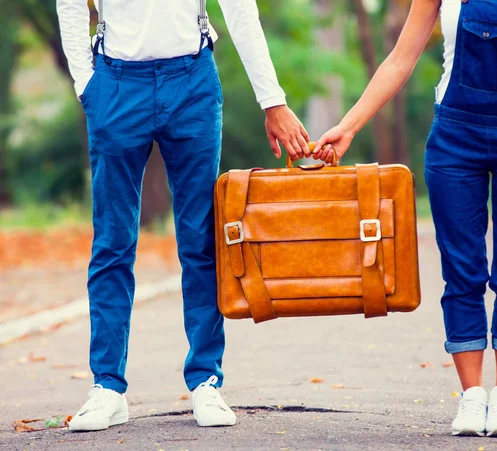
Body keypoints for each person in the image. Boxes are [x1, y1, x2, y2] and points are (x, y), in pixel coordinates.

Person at [314, 0, 497, 438]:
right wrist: (350, 126)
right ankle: (472, 396)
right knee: (462, 272)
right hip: (456, 138)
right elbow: (401, 58)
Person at [57, 0, 311, 431]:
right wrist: (87, 83)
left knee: (201, 239)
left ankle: (206, 380)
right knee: (113, 243)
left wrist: (273, 100)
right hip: (116, 84)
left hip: (191, 82)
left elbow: (240, 9)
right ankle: (107, 387)